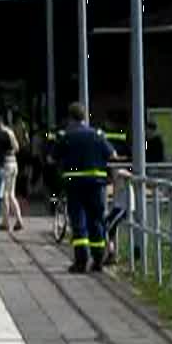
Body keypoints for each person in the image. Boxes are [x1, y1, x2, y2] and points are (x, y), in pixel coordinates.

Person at [56, 102, 116, 273]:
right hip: (96, 185)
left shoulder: (66, 136)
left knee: (79, 223)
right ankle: (98, 260)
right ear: (85, 117)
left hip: (74, 186)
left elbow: (52, 158)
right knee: (96, 220)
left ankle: (81, 261)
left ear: (70, 118)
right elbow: (112, 154)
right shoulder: (97, 134)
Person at [0, 118, 24, 232]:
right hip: (14, 163)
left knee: (5, 194)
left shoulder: (1, 133)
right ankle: (19, 219)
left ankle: (5, 222)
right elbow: (17, 148)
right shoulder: (10, 131)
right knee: (11, 194)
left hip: (5, 165)